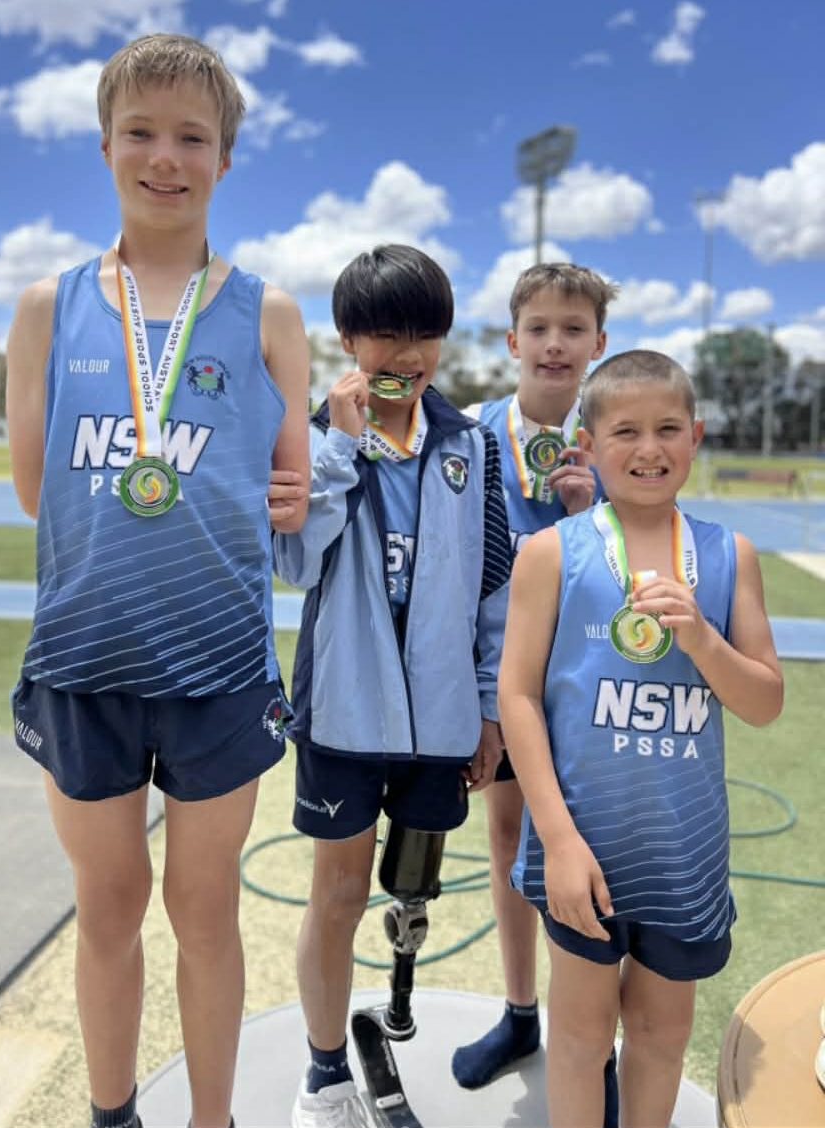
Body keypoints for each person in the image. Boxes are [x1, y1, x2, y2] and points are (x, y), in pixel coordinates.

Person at [5, 34, 310, 1128]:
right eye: (142, 132)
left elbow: (291, 498)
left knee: (205, 910)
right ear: (105, 146)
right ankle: (110, 1112)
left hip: (219, 666)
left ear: (225, 159)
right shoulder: (48, 306)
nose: (166, 157)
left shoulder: (270, 313)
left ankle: (212, 1119)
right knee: (108, 908)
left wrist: (291, 497)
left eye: (193, 136)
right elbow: (39, 492)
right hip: (83, 661)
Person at [500, 350, 783, 1128]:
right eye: (625, 430)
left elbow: (763, 703)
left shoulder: (731, 558)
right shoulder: (552, 552)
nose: (649, 448)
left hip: (682, 855)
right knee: (583, 1034)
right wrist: (556, 839)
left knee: (661, 1036)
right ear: (588, 445)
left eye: (667, 429)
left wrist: (704, 643)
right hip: (581, 850)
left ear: (695, 439)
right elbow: (518, 697)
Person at [273, 244, 513, 1128]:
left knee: (414, 882)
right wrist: (337, 447)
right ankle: (325, 1068)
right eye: (384, 333)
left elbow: (493, 590)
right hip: (342, 711)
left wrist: (488, 709)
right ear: (348, 339)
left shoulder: (471, 445)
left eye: (424, 333)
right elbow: (294, 560)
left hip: (444, 720)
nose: (405, 353)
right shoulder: (314, 434)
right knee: (336, 893)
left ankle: (392, 1001)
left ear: (444, 339)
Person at [452, 263, 617, 1097]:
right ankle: (521, 1013)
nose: (556, 344)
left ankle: (595, 1045)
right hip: (502, 694)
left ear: (599, 343)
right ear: (513, 341)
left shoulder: (622, 441)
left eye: (573, 329)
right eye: (540, 329)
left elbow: (637, 580)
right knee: (512, 846)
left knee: (593, 859)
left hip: (588, 698)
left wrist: (599, 516)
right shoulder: (473, 434)